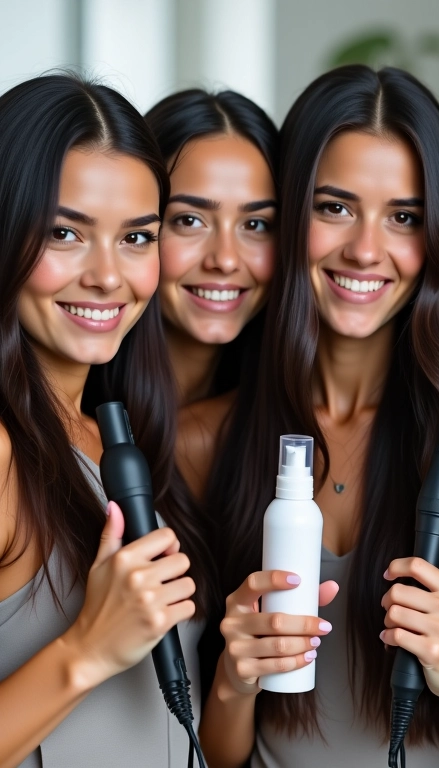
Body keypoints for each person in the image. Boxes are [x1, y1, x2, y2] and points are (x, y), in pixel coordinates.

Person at [199, 66, 439, 768]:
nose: (365, 249)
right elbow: (208, 753)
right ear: (291, 210)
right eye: (334, 207)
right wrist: (235, 681)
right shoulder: (201, 441)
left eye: (403, 218)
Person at [0, 74, 213, 767]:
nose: (107, 276)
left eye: (136, 238)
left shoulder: (110, 439)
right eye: (65, 233)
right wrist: (88, 646)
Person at [145, 90, 278, 498]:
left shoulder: (287, 423)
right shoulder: (76, 419)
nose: (224, 259)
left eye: (255, 225)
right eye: (190, 220)